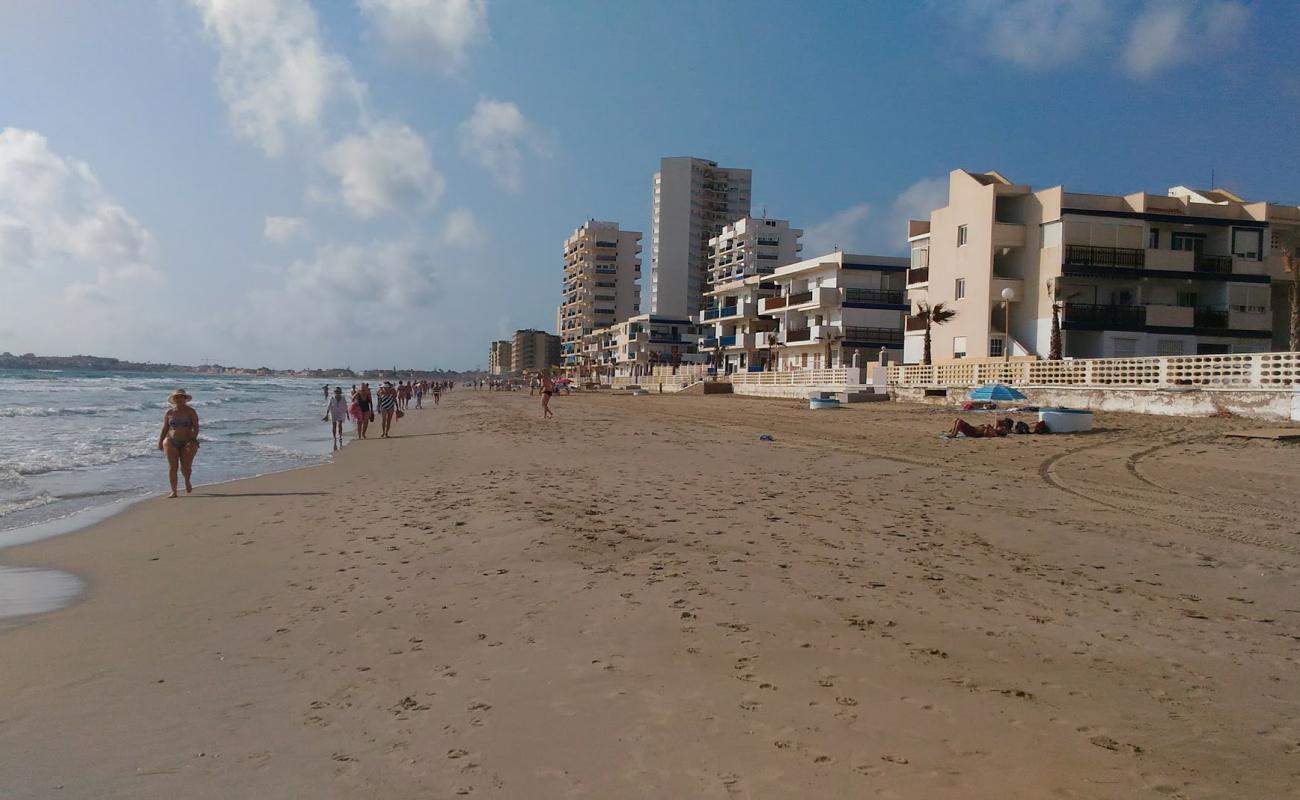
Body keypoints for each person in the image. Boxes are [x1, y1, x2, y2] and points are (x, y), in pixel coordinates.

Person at [157, 388, 199, 498]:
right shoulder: (169, 412)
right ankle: (174, 491)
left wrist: (193, 439)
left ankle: (187, 480)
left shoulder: (191, 411)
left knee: (186, 467)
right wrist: (160, 441)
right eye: (177, 397)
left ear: (185, 399)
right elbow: (165, 427)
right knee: (172, 467)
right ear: (174, 400)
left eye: (181, 397)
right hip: (171, 441)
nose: (179, 399)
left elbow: (196, 427)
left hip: (187, 442)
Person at [946, 417, 1012, 439]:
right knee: (956, 419)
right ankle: (953, 432)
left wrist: (987, 428)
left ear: (1001, 432)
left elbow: (986, 434)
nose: (1001, 428)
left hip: (974, 432)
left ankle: (954, 434)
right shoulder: (994, 429)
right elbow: (997, 421)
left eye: (1002, 429)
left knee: (959, 421)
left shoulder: (995, 433)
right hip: (973, 428)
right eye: (1002, 427)